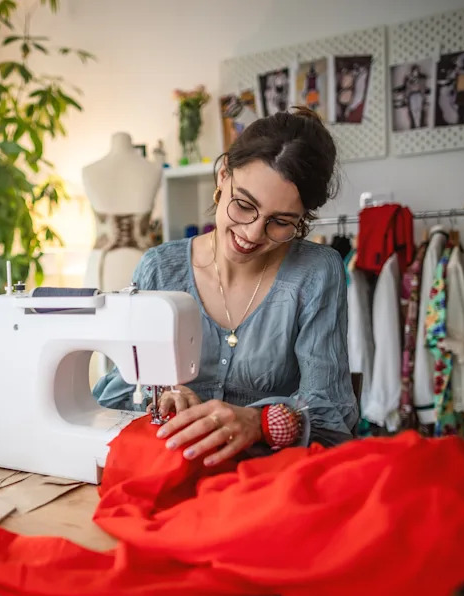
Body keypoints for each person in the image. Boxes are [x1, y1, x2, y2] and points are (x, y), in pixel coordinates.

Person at [92, 106, 357, 466]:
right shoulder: (159, 270)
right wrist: (160, 396)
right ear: (222, 176)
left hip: (268, 480)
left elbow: (332, 416)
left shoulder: (316, 273)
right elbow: (113, 398)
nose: (252, 233)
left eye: (280, 222)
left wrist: (262, 422)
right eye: (244, 205)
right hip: (170, 474)